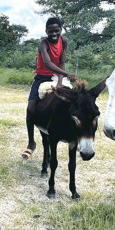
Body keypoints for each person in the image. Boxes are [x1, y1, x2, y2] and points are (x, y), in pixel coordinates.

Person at [21, 17, 78, 160]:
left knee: (73, 102)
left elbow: (62, 62)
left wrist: (60, 80)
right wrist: (67, 74)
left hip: (57, 76)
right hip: (41, 77)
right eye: (50, 31)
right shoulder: (43, 43)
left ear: (61, 30)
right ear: (46, 31)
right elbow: (47, 63)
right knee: (31, 108)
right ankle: (31, 142)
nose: (54, 33)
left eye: (56, 30)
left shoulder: (64, 41)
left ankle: (75, 135)